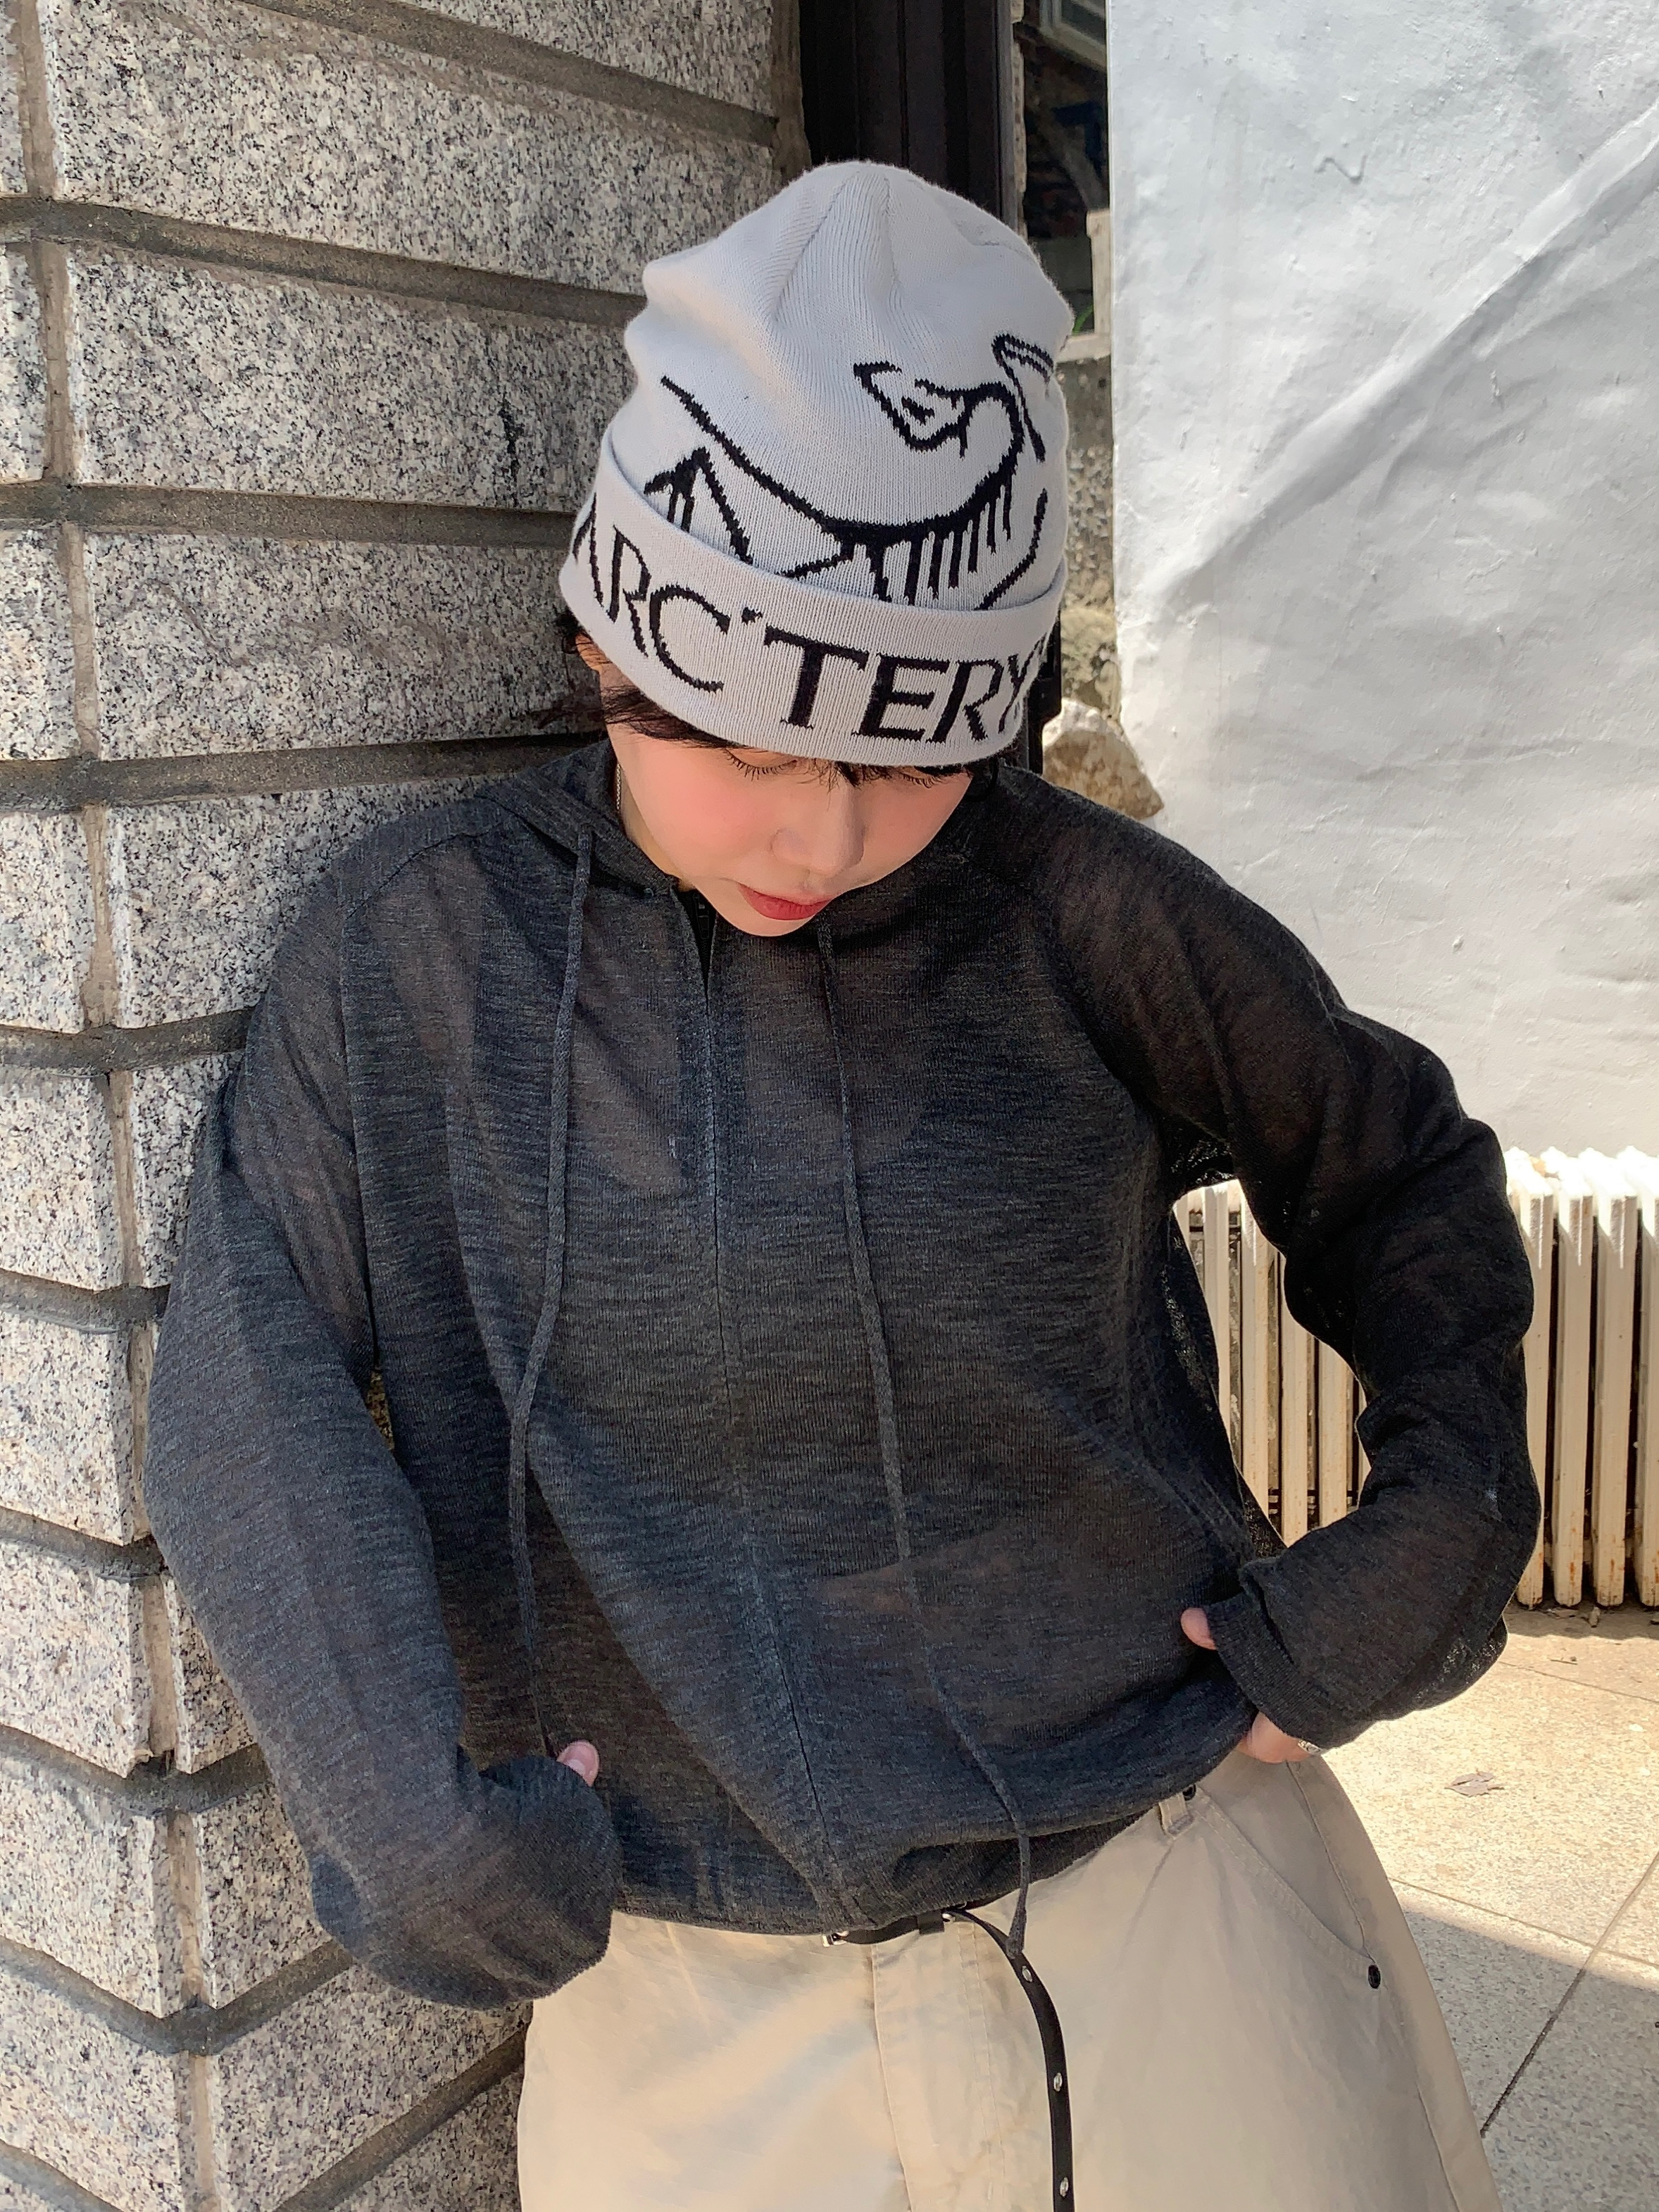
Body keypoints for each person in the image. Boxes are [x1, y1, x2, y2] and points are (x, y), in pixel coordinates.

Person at [144, 164, 1536, 2212]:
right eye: (736, 741)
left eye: (902, 757)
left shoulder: (1080, 912)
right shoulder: (420, 961)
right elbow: (242, 1380)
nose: (818, 833)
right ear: (604, 640)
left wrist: (1441, 1528)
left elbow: (1392, 1165)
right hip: (690, 2015)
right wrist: (404, 1821)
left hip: (1176, 1903)